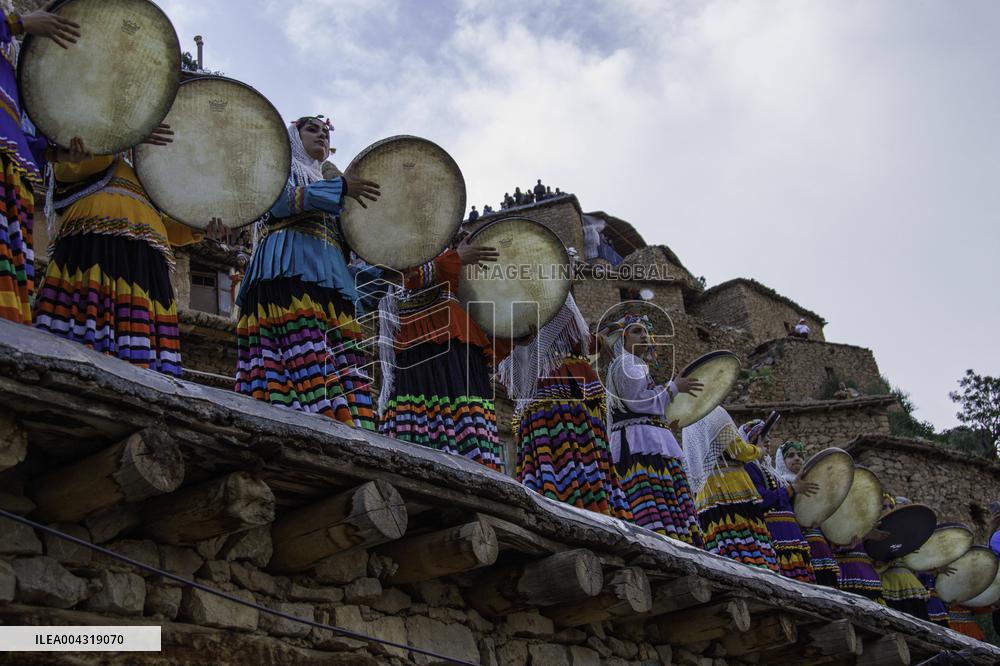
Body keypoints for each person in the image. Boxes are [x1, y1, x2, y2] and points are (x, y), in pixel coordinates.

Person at [234, 115, 381, 428]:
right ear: (293, 136)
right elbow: (280, 203)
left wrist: (390, 272)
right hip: (286, 265)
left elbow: (352, 262)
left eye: (326, 132)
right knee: (300, 346)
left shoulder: (339, 192)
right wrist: (338, 187)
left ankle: (347, 424)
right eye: (311, 129)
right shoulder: (280, 166)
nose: (321, 136)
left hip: (330, 274)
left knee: (341, 355)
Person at [33, 122, 205, 376]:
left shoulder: (150, 176)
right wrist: (127, 133)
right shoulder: (94, 141)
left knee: (142, 367)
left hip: (146, 263)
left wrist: (200, 225)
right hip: (96, 245)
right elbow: (73, 167)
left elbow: (168, 226)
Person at [377, 234, 505, 470]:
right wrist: (455, 258)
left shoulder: (449, 256)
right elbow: (402, 278)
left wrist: (512, 332)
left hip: (454, 339)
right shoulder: (398, 243)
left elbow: (482, 316)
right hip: (423, 343)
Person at [498, 294, 631, 520]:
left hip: (539, 387)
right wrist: (598, 341)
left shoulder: (514, 298)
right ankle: (589, 505)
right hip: (564, 381)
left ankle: (548, 497)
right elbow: (577, 340)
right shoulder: (555, 295)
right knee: (578, 442)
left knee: (551, 445)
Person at [0, 8, 81, 324]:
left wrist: (53, 154)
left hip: (12, 165)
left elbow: (15, 121)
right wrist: (17, 24)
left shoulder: (13, 53)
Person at [599, 313, 703, 544]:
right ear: (623, 338)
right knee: (655, 496)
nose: (645, 336)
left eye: (646, 332)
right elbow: (638, 401)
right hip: (638, 443)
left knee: (661, 496)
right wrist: (674, 388)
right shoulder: (626, 363)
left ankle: (671, 540)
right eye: (637, 331)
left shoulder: (635, 365)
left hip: (646, 438)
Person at [683, 407, 779, 570]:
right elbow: (738, 450)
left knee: (720, 535)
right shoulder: (715, 413)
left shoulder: (689, 419)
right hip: (730, 484)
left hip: (706, 491)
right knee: (744, 533)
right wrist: (758, 451)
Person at [742, 431, 817, 583]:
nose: (768, 442)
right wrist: (791, 489)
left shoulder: (771, 471)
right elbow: (760, 500)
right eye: (761, 439)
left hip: (792, 532)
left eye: (768, 439)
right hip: (776, 532)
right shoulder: (749, 467)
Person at [775, 441, 841, 588]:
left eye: (800, 455)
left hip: (822, 549)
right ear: (781, 461)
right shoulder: (781, 484)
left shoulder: (813, 485)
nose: (797, 458)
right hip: (799, 548)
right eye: (791, 455)